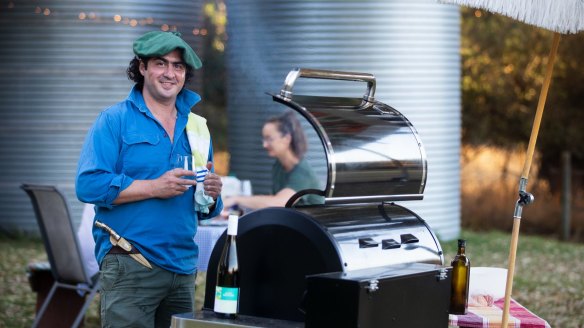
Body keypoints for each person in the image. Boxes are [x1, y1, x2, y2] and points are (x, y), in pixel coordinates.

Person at [76, 31, 223, 328]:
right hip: (131, 264)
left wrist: (213, 193)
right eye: (161, 63)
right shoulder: (114, 119)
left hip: (182, 268)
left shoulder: (197, 127)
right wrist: (155, 187)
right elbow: (88, 185)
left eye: (178, 67)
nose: (170, 73)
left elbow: (206, 207)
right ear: (142, 67)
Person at [223, 110, 322, 211]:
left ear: (286, 139)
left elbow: (278, 203)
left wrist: (236, 199)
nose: (264, 145)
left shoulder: (303, 173)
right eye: (264, 139)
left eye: (269, 139)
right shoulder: (278, 166)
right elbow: (272, 201)